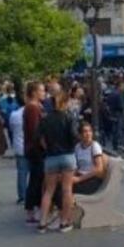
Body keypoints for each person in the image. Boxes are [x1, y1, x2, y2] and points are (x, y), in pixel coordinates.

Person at [37, 90, 79, 233]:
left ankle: (42, 222)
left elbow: (41, 139)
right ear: (65, 102)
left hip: (51, 157)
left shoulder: (45, 119)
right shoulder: (69, 118)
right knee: (67, 189)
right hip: (67, 155)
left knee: (49, 191)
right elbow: (74, 136)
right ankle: (64, 222)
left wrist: (48, 148)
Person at [23, 82, 47, 223]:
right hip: (36, 149)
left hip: (35, 148)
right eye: (41, 90)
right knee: (36, 179)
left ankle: (34, 207)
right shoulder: (32, 108)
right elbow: (35, 131)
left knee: (37, 178)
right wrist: (43, 144)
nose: (44, 93)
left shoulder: (36, 107)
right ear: (34, 93)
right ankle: (32, 209)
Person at [71, 121, 108, 195]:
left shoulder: (95, 146)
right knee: (62, 185)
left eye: (90, 131)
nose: (88, 134)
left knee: (67, 189)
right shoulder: (77, 147)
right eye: (85, 132)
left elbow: (99, 169)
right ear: (80, 135)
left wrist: (79, 179)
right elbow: (76, 166)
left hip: (92, 179)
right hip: (80, 175)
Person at [9, 93, 27, 204]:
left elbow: (11, 128)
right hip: (31, 147)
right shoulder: (35, 111)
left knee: (22, 173)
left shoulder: (14, 115)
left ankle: (22, 196)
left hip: (19, 146)